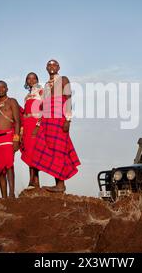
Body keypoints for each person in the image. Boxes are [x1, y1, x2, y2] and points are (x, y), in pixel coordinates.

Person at [31, 59, 81, 193]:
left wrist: (68, 120)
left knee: (59, 149)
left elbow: (69, 99)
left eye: (54, 64)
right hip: (47, 121)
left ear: (58, 67)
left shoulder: (63, 79)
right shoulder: (46, 85)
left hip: (59, 119)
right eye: (49, 65)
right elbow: (44, 105)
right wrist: (38, 125)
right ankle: (55, 184)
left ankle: (60, 184)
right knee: (47, 150)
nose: (51, 67)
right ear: (46, 68)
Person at [20, 72, 43, 189]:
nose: (31, 80)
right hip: (27, 124)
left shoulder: (41, 91)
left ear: (37, 80)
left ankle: (31, 181)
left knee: (35, 152)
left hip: (35, 123)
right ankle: (36, 182)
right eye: (29, 78)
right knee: (29, 152)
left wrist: (38, 125)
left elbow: (45, 108)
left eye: (34, 78)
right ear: (26, 81)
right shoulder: (26, 96)